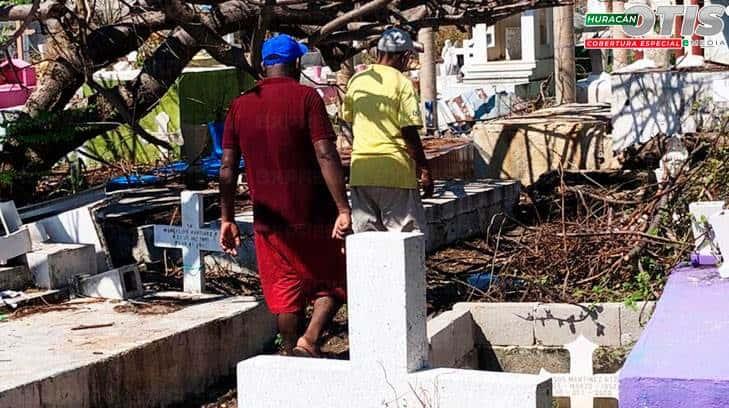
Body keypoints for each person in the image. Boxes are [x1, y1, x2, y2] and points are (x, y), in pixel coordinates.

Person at [219, 34, 351, 357]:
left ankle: (291, 354)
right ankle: (310, 340)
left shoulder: (240, 105)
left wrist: (227, 219)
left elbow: (226, 167)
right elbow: (325, 154)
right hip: (314, 215)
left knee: (285, 294)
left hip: (268, 221)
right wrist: (343, 208)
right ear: (294, 65)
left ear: (265, 66)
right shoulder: (307, 99)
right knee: (335, 281)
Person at [342, 28, 434, 234]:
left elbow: (346, 121)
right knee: (406, 241)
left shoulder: (357, 81)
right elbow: (409, 131)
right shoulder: (403, 84)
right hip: (395, 173)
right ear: (403, 56)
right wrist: (425, 169)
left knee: (368, 242)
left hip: (361, 173)